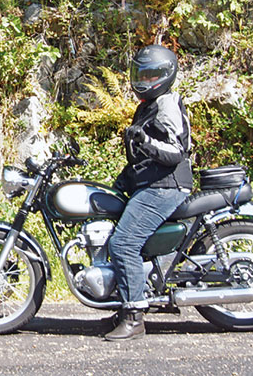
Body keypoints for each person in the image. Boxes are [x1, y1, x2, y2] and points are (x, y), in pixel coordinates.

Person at [104, 44, 193, 341]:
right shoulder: (147, 105)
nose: (144, 79)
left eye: (152, 74)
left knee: (124, 244)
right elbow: (141, 158)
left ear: (166, 76)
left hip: (165, 187)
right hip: (151, 184)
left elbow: (175, 152)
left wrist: (144, 140)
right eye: (141, 73)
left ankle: (133, 317)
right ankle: (126, 302)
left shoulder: (167, 103)